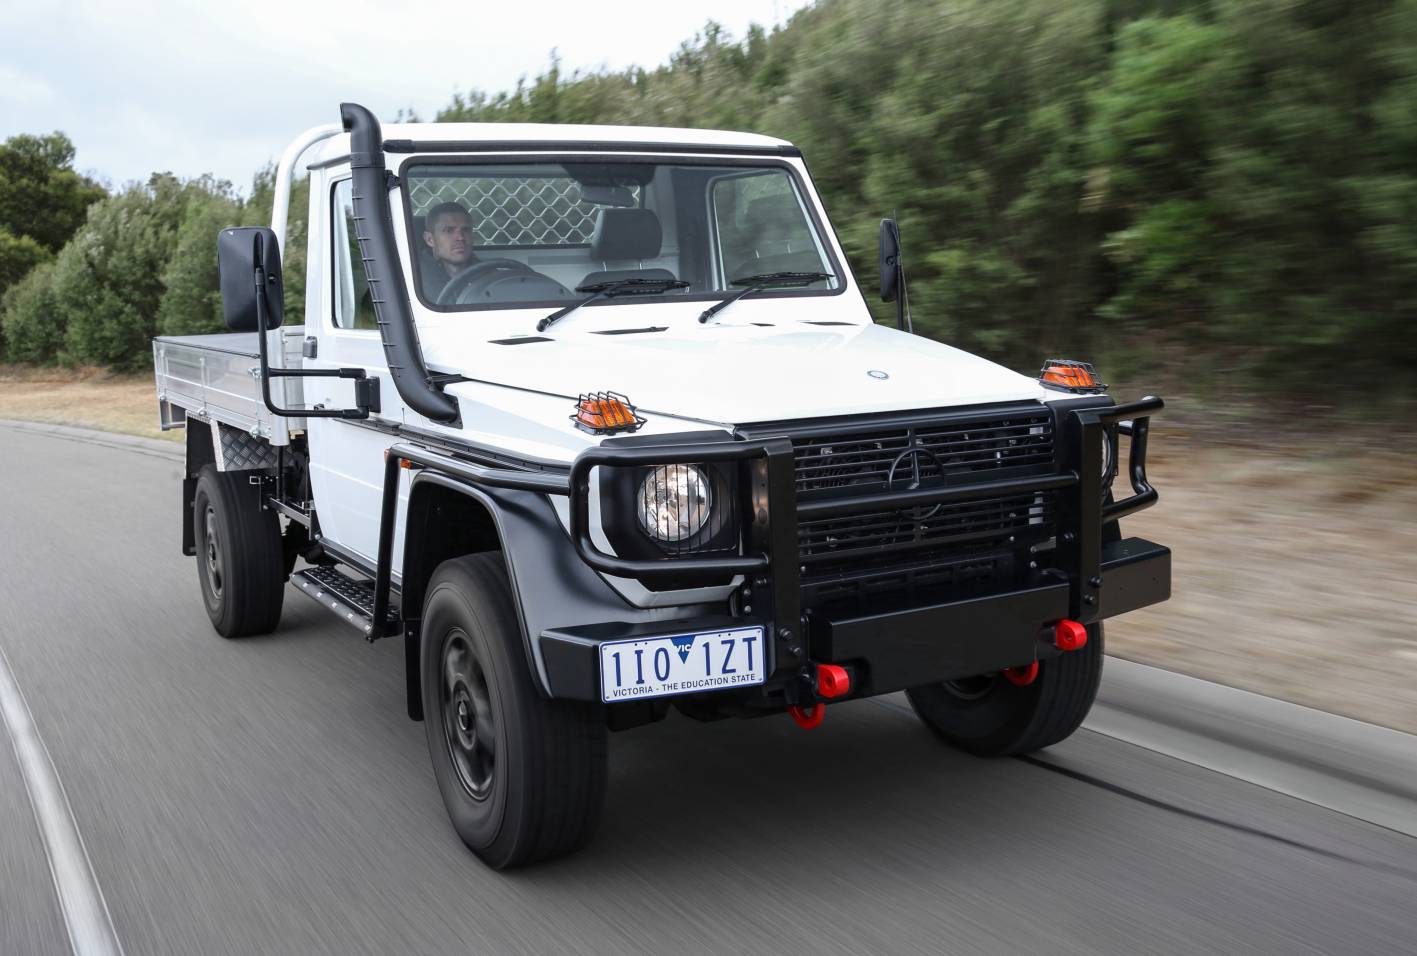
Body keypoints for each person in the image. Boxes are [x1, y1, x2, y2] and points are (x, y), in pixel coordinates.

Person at [420, 201, 478, 299]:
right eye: (449, 230)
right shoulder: (416, 281)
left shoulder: (489, 274)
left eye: (466, 230)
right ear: (430, 239)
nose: (460, 237)